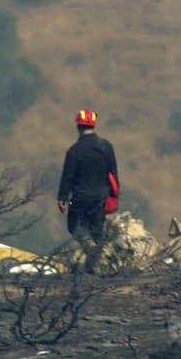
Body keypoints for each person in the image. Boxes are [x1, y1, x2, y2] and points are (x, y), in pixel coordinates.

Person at [57, 109, 118, 272]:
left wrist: (62, 197)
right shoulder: (106, 147)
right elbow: (113, 174)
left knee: (76, 229)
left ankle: (93, 259)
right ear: (94, 125)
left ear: (78, 126)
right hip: (101, 198)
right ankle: (97, 266)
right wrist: (113, 197)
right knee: (97, 232)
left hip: (80, 199)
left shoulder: (74, 151)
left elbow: (68, 176)